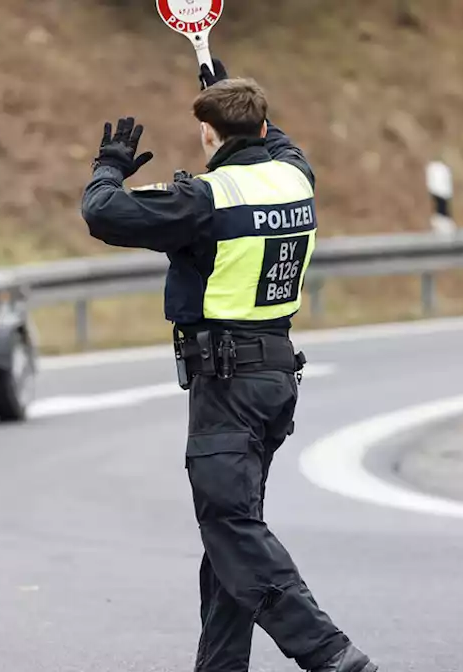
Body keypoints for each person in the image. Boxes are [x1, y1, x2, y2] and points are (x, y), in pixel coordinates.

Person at [79, 59, 379, 672]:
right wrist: (224, 87)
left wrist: (108, 165)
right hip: (274, 378)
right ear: (263, 126)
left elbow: (103, 213)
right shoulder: (296, 177)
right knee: (230, 533)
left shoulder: (203, 200)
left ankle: (330, 655)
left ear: (210, 136)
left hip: (226, 384)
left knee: (231, 528)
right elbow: (275, 135)